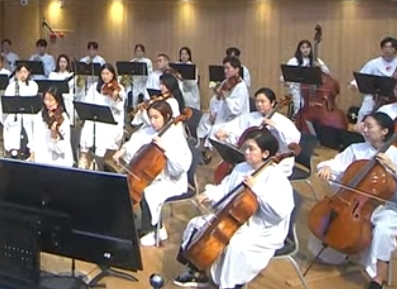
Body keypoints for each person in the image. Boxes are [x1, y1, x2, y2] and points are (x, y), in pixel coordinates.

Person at [311, 113, 397, 289]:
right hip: (357, 205)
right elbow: (336, 164)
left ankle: (378, 278)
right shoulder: (356, 149)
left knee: (382, 231)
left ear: (384, 131)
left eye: (369, 126)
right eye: (364, 125)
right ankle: (349, 251)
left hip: (390, 208)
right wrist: (327, 167)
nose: (364, 129)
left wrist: (395, 170)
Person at [174, 128, 293, 288]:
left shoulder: (277, 178)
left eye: (251, 149)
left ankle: (231, 284)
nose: (246, 152)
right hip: (235, 217)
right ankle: (197, 271)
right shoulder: (241, 167)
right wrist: (209, 194)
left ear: (265, 154)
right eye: (245, 148)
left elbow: (281, 212)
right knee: (197, 224)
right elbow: (225, 189)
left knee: (235, 247)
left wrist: (256, 189)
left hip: (262, 228)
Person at [113, 100, 191, 247]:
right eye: (150, 117)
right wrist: (122, 151)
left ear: (166, 116)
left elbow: (181, 166)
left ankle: (154, 230)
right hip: (150, 176)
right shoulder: (147, 130)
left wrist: (166, 149)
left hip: (171, 181)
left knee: (149, 192)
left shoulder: (175, 137)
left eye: (156, 117)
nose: (153, 121)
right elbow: (135, 142)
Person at [215, 88, 301, 178]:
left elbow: (293, 141)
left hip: (274, 161)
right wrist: (224, 131)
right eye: (257, 101)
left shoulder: (283, 121)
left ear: (272, 103)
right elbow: (236, 126)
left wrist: (276, 127)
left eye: (262, 101)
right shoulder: (251, 116)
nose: (259, 104)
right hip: (250, 157)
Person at [29, 87, 73, 167]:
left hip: (59, 162)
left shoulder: (63, 118)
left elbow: (63, 147)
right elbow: (35, 136)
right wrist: (33, 151)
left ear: (57, 101)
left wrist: (54, 135)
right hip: (41, 159)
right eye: (45, 99)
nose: (47, 103)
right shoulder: (39, 115)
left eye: (51, 100)